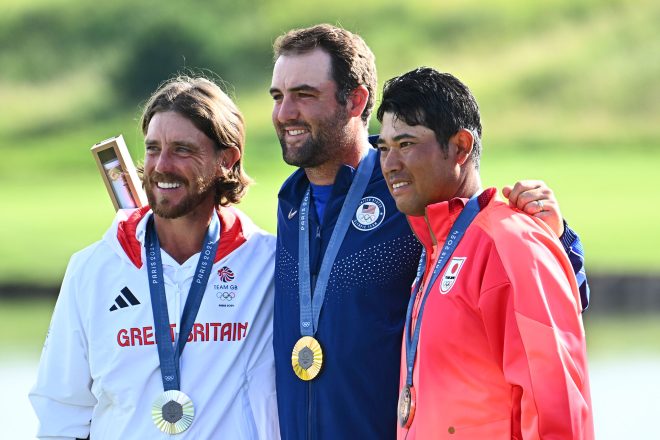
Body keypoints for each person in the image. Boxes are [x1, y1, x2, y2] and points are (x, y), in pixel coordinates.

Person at [269, 24, 588, 439]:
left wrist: (559, 239)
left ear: (355, 100)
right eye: (277, 96)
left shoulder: (412, 191)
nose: (284, 113)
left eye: (304, 94)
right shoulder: (291, 204)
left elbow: (539, 302)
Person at [29, 76, 279, 439]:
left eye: (182, 150)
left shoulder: (268, 264)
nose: (161, 165)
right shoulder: (92, 269)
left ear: (226, 160)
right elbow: (61, 414)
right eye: (152, 148)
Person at [376, 67, 593, 438]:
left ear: (460, 146)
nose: (390, 164)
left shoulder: (510, 241)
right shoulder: (436, 247)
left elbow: (555, 408)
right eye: (384, 148)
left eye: (406, 144)